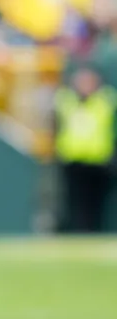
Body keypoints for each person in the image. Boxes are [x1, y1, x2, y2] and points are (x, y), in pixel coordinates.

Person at [52, 65, 117, 233]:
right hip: (72, 159)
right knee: (75, 202)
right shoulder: (65, 100)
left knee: (97, 203)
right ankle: (78, 233)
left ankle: (95, 233)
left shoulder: (106, 100)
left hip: (100, 160)